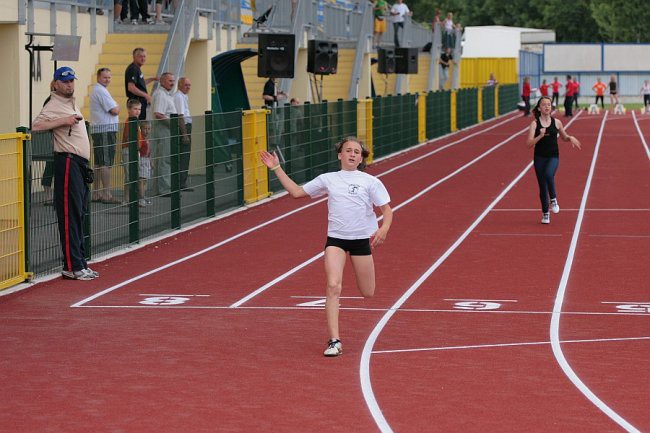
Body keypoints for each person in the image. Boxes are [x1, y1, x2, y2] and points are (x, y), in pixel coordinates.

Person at [260, 137, 393, 357]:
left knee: (368, 292)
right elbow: (296, 192)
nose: (352, 154)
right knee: (333, 286)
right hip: (336, 240)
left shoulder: (370, 181)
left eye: (356, 152)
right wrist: (276, 168)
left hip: (361, 240)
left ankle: (335, 338)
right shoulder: (328, 179)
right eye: (348, 150)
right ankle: (334, 341)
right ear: (339, 155)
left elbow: (387, 210)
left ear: (361, 157)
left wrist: (384, 228)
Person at [32, 66, 99, 280]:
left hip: (78, 163)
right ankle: (72, 266)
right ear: (55, 84)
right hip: (67, 161)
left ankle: (79, 262)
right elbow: (36, 126)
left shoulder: (69, 102)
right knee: (71, 214)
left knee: (78, 214)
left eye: (71, 81)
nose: (69, 84)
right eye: (65, 81)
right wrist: (63, 121)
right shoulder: (53, 104)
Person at [526, 96, 581, 225]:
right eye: (544, 104)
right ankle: (545, 214)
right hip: (539, 158)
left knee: (549, 174)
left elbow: (564, 137)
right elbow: (528, 144)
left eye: (549, 104)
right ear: (539, 108)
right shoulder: (535, 124)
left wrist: (570, 138)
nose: (547, 106)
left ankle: (554, 199)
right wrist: (540, 135)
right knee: (542, 186)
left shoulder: (557, 123)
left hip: (553, 156)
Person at [89, 67, 121, 204]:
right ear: (98, 77)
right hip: (105, 130)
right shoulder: (101, 91)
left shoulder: (98, 90)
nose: (107, 80)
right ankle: (106, 194)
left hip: (99, 129)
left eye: (109, 77)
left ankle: (96, 193)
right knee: (105, 163)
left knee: (98, 163)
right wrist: (118, 106)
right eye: (105, 77)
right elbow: (114, 110)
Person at [151, 72, 177, 196]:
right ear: (162, 81)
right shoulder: (161, 94)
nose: (172, 83)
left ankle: (160, 188)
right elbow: (159, 114)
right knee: (164, 160)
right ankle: (164, 189)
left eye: (173, 81)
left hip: (165, 129)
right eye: (169, 81)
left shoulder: (165, 94)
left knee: (164, 160)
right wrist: (174, 124)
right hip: (163, 129)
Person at [121, 98, 145, 204]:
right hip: (129, 151)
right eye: (135, 109)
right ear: (129, 109)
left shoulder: (136, 121)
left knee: (135, 175)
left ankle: (135, 198)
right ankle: (126, 199)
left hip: (136, 151)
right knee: (129, 176)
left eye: (139, 109)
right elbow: (128, 138)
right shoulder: (129, 121)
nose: (137, 111)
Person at [125, 47, 158, 121]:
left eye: (144, 56)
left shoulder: (137, 68)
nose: (143, 59)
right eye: (140, 56)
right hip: (136, 102)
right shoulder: (133, 69)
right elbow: (131, 87)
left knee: (141, 125)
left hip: (139, 102)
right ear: (134, 57)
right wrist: (146, 95)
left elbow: (140, 84)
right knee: (137, 126)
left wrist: (153, 79)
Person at [173, 77, 193, 191]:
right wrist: (184, 134)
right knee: (184, 155)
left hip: (186, 125)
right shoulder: (179, 96)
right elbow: (180, 116)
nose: (188, 87)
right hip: (184, 127)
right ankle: (181, 183)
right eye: (186, 85)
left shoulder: (183, 96)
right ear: (180, 85)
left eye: (189, 85)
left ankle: (182, 181)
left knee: (186, 155)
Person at [138, 121, 153, 206]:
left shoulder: (148, 139)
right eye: (145, 129)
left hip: (147, 160)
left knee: (144, 180)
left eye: (148, 129)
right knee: (141, 180)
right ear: (141, 129)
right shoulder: (141, 139)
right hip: (142, 160)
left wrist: (151, 161)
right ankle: (141, 198)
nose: (146, 131)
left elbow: (149, 151)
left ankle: (142, 196)